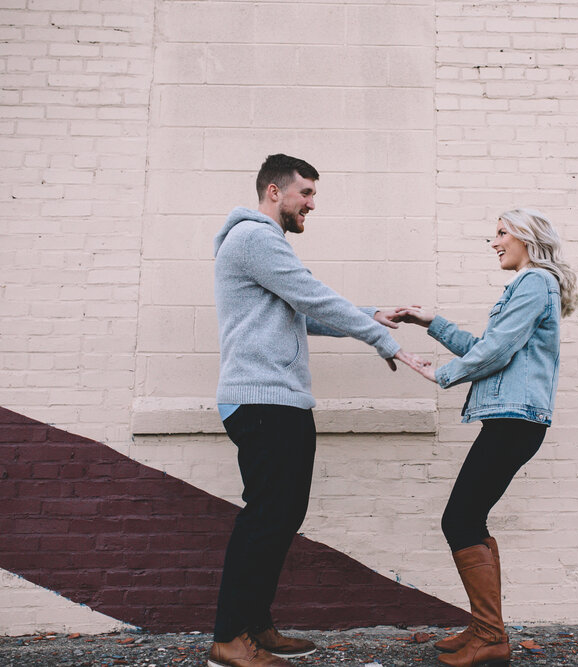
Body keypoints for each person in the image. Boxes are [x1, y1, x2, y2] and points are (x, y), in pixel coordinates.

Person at [209, 153, 428, 667]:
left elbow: (302, 309)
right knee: (267, 516)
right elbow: (313, 297)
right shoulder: (255, 238)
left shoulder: (264, 245)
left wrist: (369, 314)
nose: (311, 204)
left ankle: (256, 626)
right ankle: (229, 638)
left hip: (276, 398)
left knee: (282, 515)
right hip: (263, 399)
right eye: (304, 193)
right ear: (273, 192)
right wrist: (384, 341)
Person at [394, 208, 578, 667]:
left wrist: (441, 374)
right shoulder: (529, 287)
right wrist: (432, 322)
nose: (492, 241)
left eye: (500, 232)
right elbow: (490, 345)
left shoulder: (534, 283)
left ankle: (491, 635)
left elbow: (494, 352)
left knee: (459, 520)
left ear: (527, 238)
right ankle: (485, 629)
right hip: (513, 420)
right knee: (468, 519)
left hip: (516, 420)